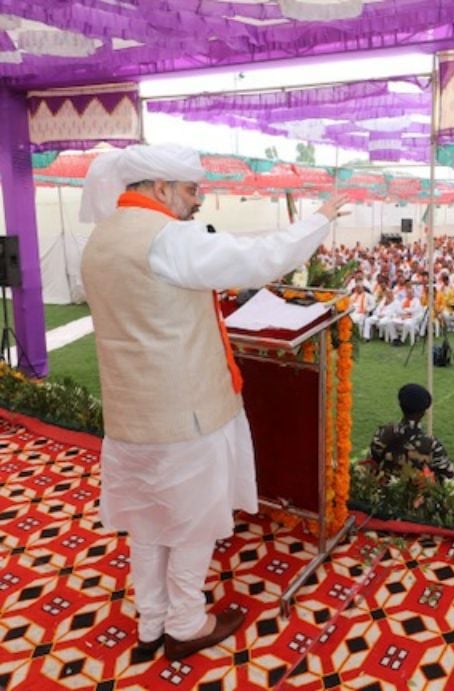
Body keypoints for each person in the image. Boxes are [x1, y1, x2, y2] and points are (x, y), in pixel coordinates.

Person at [79, 144, 349, 660]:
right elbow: (257, 258)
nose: (197, 200)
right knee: (189, 524)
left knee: (148, 524)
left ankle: (151, 624)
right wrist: (318, 219)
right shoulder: (167, 239)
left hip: (128, 415)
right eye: (190, 190)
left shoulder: (100, 240)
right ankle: (185, 623)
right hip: (186, 414)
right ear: (160, 188)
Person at [368, 383, 454, 482]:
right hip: (415, 496)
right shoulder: (431, 445)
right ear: (423, 412)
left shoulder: (384, 432)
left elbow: (370, 463)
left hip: (384, 492)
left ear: (400, 405)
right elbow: (452, 480)